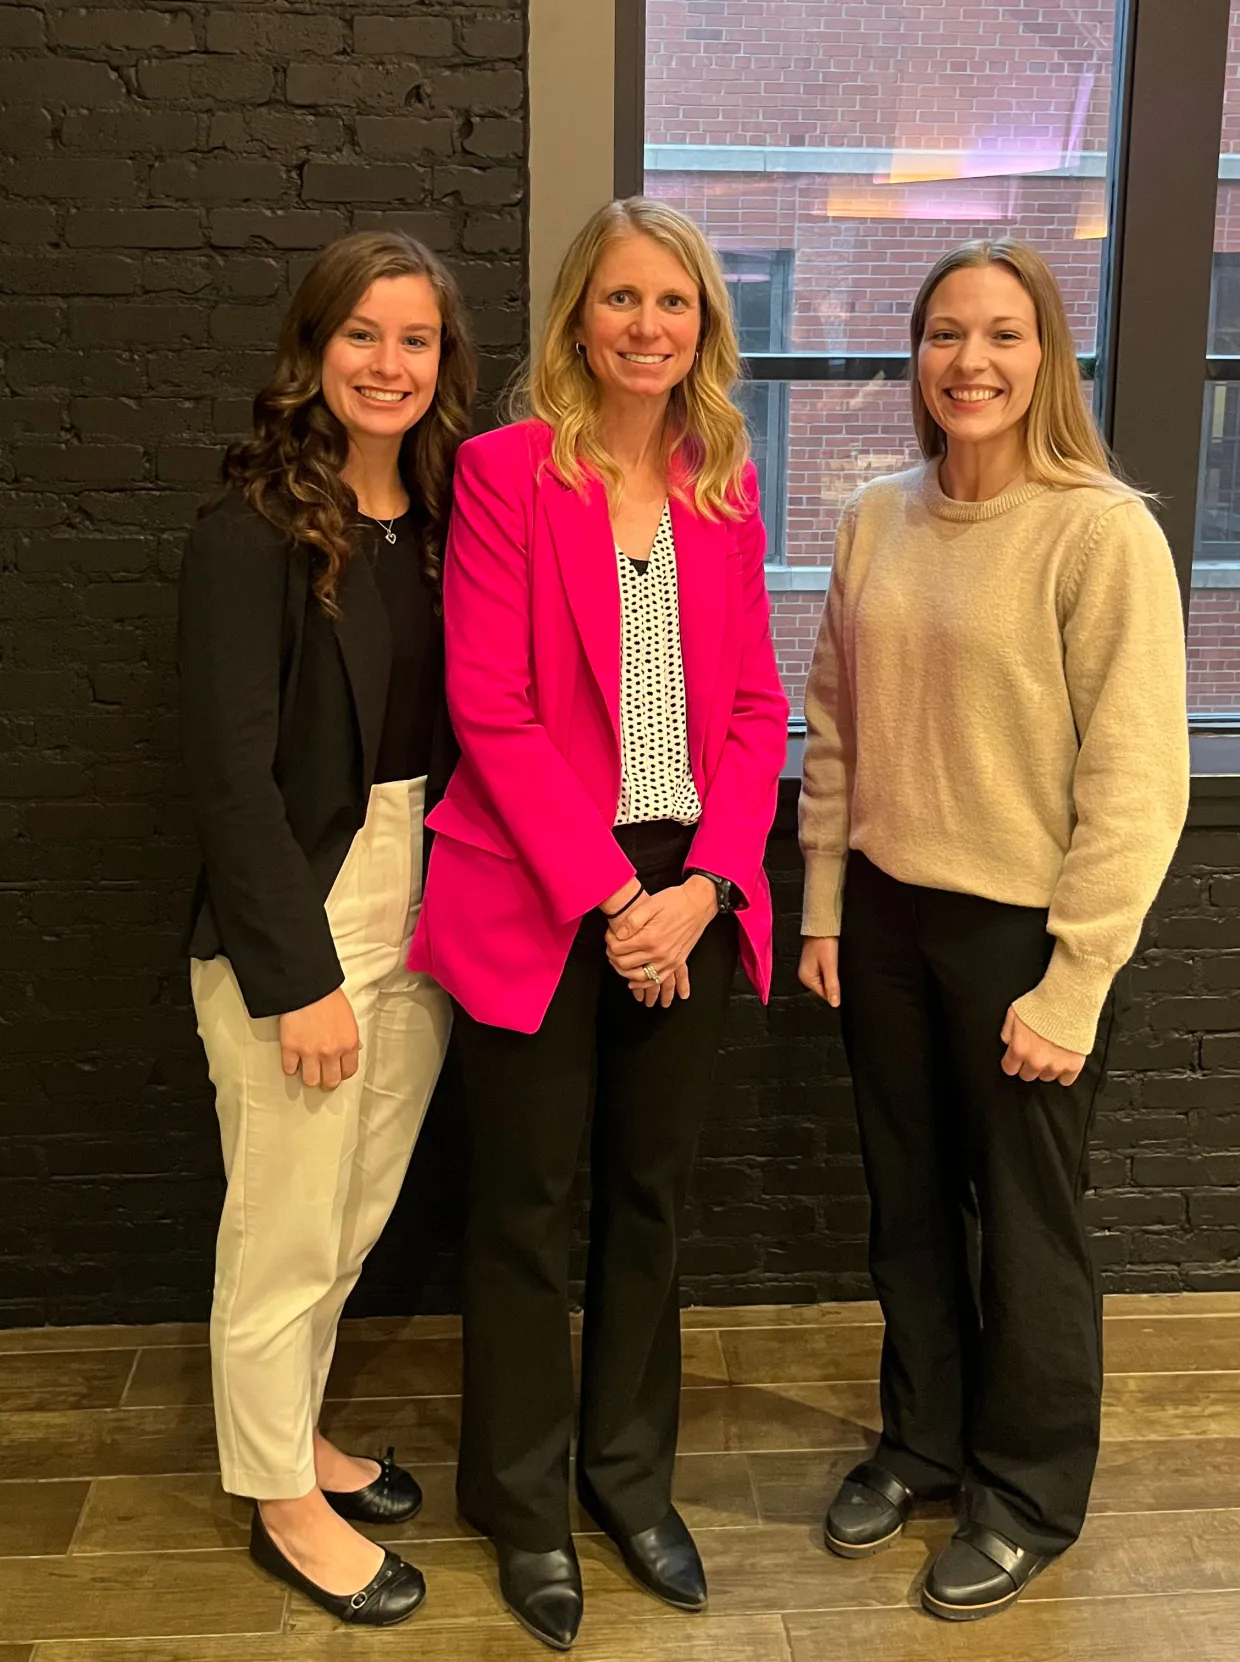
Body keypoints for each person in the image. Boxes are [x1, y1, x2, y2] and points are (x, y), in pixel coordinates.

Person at [409, 197, 788, 1650]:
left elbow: (755, 711)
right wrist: (615, 898)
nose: (647, 327)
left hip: (686, 883)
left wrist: (702, 890)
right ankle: (522, 1505)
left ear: (704, 324)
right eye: (622, 300)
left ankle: (629, 1481)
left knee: (649, 1199)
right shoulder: (507, 472)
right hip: (538, 879)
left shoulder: (723, 486)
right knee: (523, 1209)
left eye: (674, 303)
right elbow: (490, 710)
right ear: (580, 316)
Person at [798, 238, 1189, 1621]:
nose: (972, 360)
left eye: (1004, 335)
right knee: (907, 1208)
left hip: (1027, 931)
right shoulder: (875, 515)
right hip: (892, 919)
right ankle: (924, 1441)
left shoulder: (1100, 528)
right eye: (946, 334)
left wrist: (1076, 980)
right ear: (916, 357)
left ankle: (1027, 1492)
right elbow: (836, 725)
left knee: (1026, 1229)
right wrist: (829, 902)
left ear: (1047, 359)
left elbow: (1139, 782)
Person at [178, 231, 475, 1627]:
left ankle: (294, 1429)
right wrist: (295, 976)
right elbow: (230, 779)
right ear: (315, 348)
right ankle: (277, 1496)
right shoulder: (250, 531)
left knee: (353, 1203)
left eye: (414, 340)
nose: (389, 363)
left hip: (431, 884)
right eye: (363, 334)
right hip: (309, 895)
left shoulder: (442, 520)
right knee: (287, 1216)